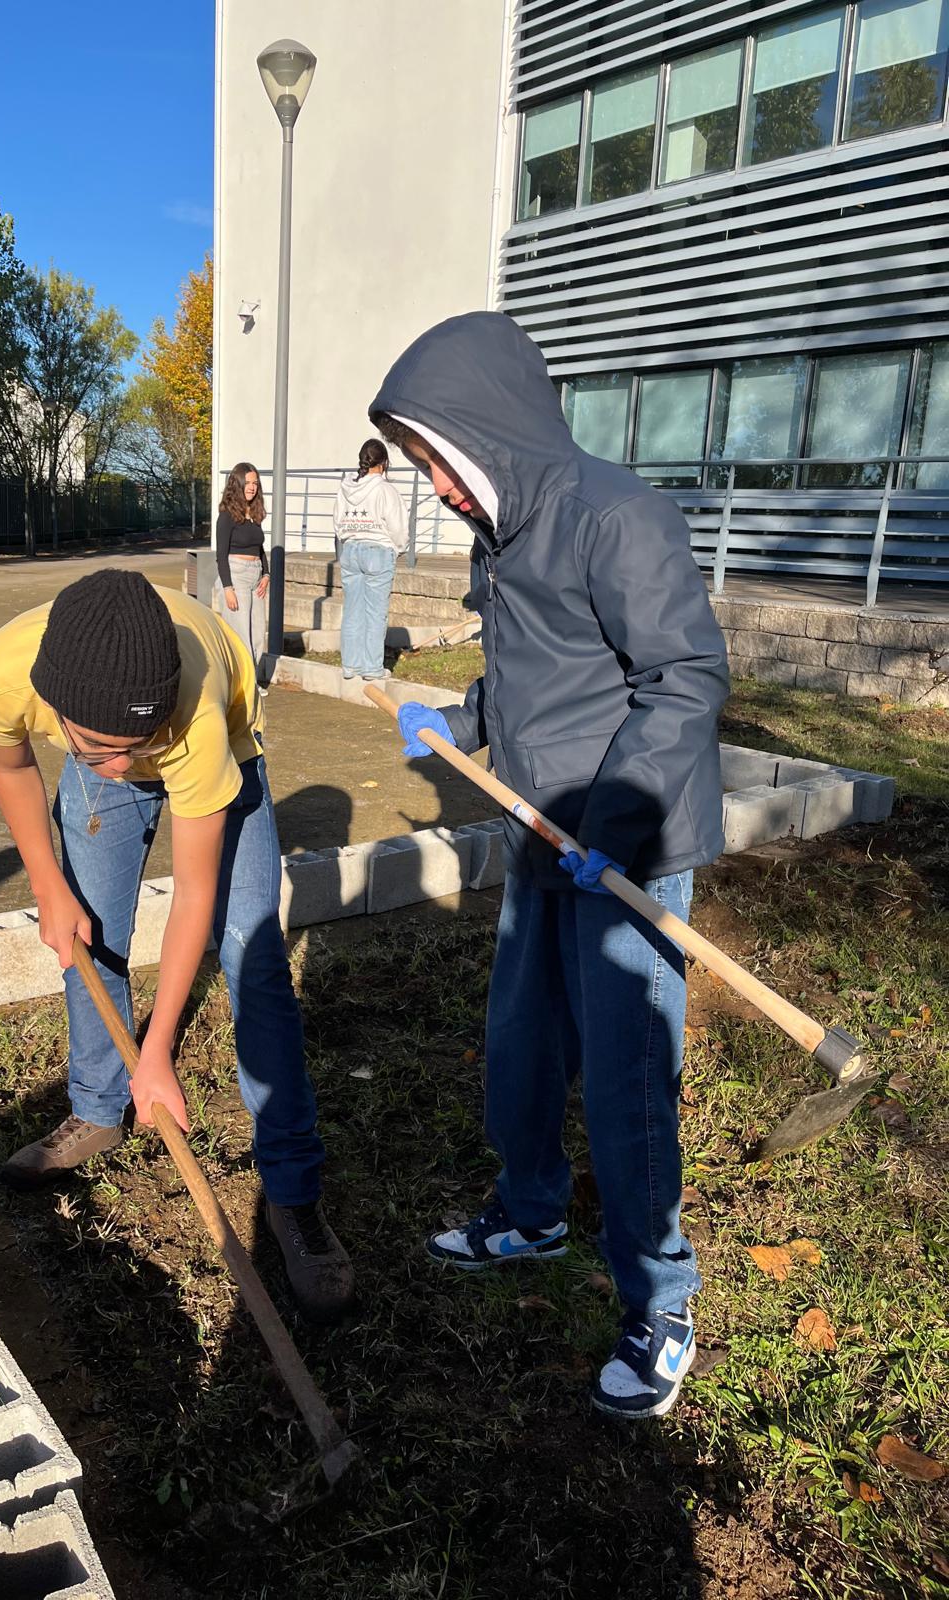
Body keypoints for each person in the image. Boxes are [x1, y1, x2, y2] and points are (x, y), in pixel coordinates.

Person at [369, 312, 729, 1418]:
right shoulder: (504, 532)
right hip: (540, 836)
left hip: (627, 849)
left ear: (491, 431)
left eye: (439, 459)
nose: (436, 486)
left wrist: (611, 823)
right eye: (423, 463)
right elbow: (535, 679)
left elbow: (684, 678)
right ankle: (530, 1210)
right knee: (520, 1045)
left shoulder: (618, 518)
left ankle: (662, 1299)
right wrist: (463, 721)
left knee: (626, 1079)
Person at [0, 568, 354, 1323]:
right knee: (91, 937)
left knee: (252, 956)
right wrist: (46, 884)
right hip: (107, 728)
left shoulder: (194, 716)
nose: (122, 766)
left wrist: (159, 1051)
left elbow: (194, 895)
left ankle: (294, 1194)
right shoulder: (1, 674)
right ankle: (96, 1111)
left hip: (221, 749)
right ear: (54, 703)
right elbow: (11, 764)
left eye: (134, 746)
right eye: (102, 747)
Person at [333, 438, 407, 681]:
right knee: (375, 613)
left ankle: (350, 665)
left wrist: (349, 538)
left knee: (352, 610)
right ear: (384, 463)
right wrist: (398, 548)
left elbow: (337, 522)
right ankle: (372, 668)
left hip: (351, 549)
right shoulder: (385, 490)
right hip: (378, 550)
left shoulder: (346, 488)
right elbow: (397, 526)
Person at [214, 462, 269, 686]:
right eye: (247, 483)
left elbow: (259, 548)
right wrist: (227, 588)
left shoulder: (254, 514)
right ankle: (244, 686)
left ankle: (251, 681)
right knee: (241, 635)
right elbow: (221, 555)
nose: (252, 487)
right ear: (237, 484)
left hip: (256, 576)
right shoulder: (227, 516)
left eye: (255, 483)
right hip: (236, 576)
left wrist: (266, 574)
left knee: (258, 634)